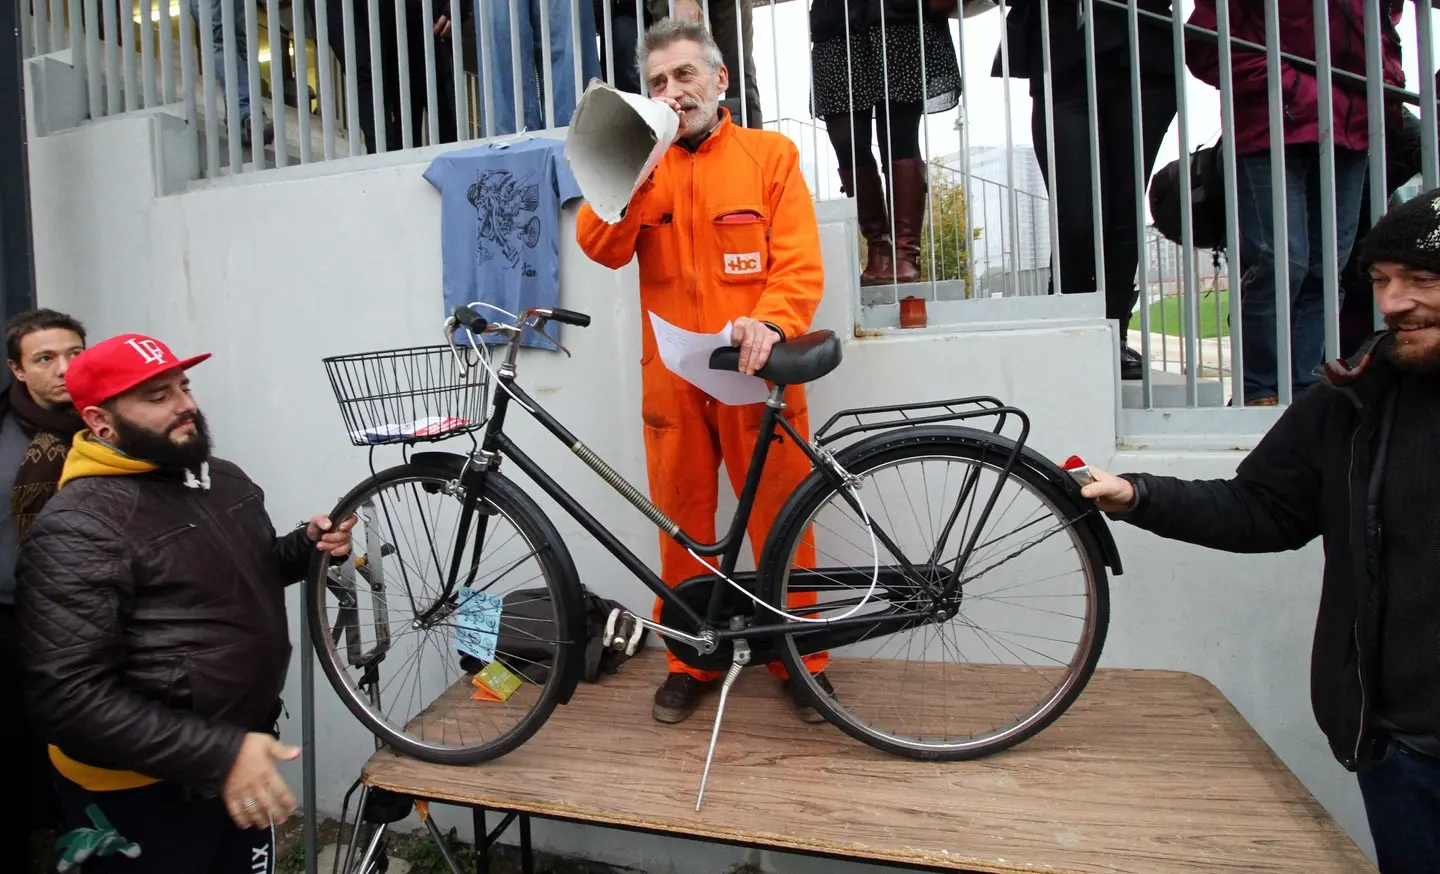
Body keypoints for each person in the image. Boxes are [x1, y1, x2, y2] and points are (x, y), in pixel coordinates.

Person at [1078, 189, 1440, 874]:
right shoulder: (1352, 398)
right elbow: (1263, 508)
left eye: (1422, 280)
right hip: (1399, 755)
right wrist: (1138, 496)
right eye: (1382, 281)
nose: (1395, 303)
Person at [15, 333, 354, 873]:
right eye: (157, 396)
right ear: (101, 423)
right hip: (143, 793)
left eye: (184, 386)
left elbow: (249, 569)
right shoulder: (78, 526)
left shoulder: (220, 479)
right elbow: (68, 698)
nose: (187, 404)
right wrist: (217, 752)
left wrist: (307, 548)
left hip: (237, 756)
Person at [576, 19, 832, 725]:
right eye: (657, 81)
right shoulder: (642, 162)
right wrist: (637, 160)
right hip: (674, 382)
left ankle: (800, 663)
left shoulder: (769, 156)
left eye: (684, 75)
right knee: (682, 527)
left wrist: (772, 321)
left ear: (720, 81)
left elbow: (800, 265)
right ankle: (693, 659)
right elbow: (598, 245)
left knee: (785, 523)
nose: (671, 90)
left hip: (758, 375)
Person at [1186, 0, 1404, 405]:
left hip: (1349, 125)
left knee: (1327, 268)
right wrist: (1289, 87)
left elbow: (1380, 40)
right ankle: (1258, 388)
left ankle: (1303, 387)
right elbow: (1206, 44)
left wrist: (1381, 85)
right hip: (1276, 120)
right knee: (1281, 263)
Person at [994, 0, 1176, 380]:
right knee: (1077, 217)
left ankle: (1114, 333)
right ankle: (1068, 330)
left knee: (1125, 213)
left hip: (1141, 52)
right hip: (1062, 55)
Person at [0, 309, 86, 872]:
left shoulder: (114, 423)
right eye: (45, 359)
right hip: (9, 617)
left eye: (75, 355)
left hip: (90, 620)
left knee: (83, 742)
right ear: (18, 369)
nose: (63, 369)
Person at [809, 0, 960, 286]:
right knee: (845, 139)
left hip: (899, 20)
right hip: (838, 24)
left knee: (899, 135)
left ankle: (905, 253)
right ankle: (878, 247)